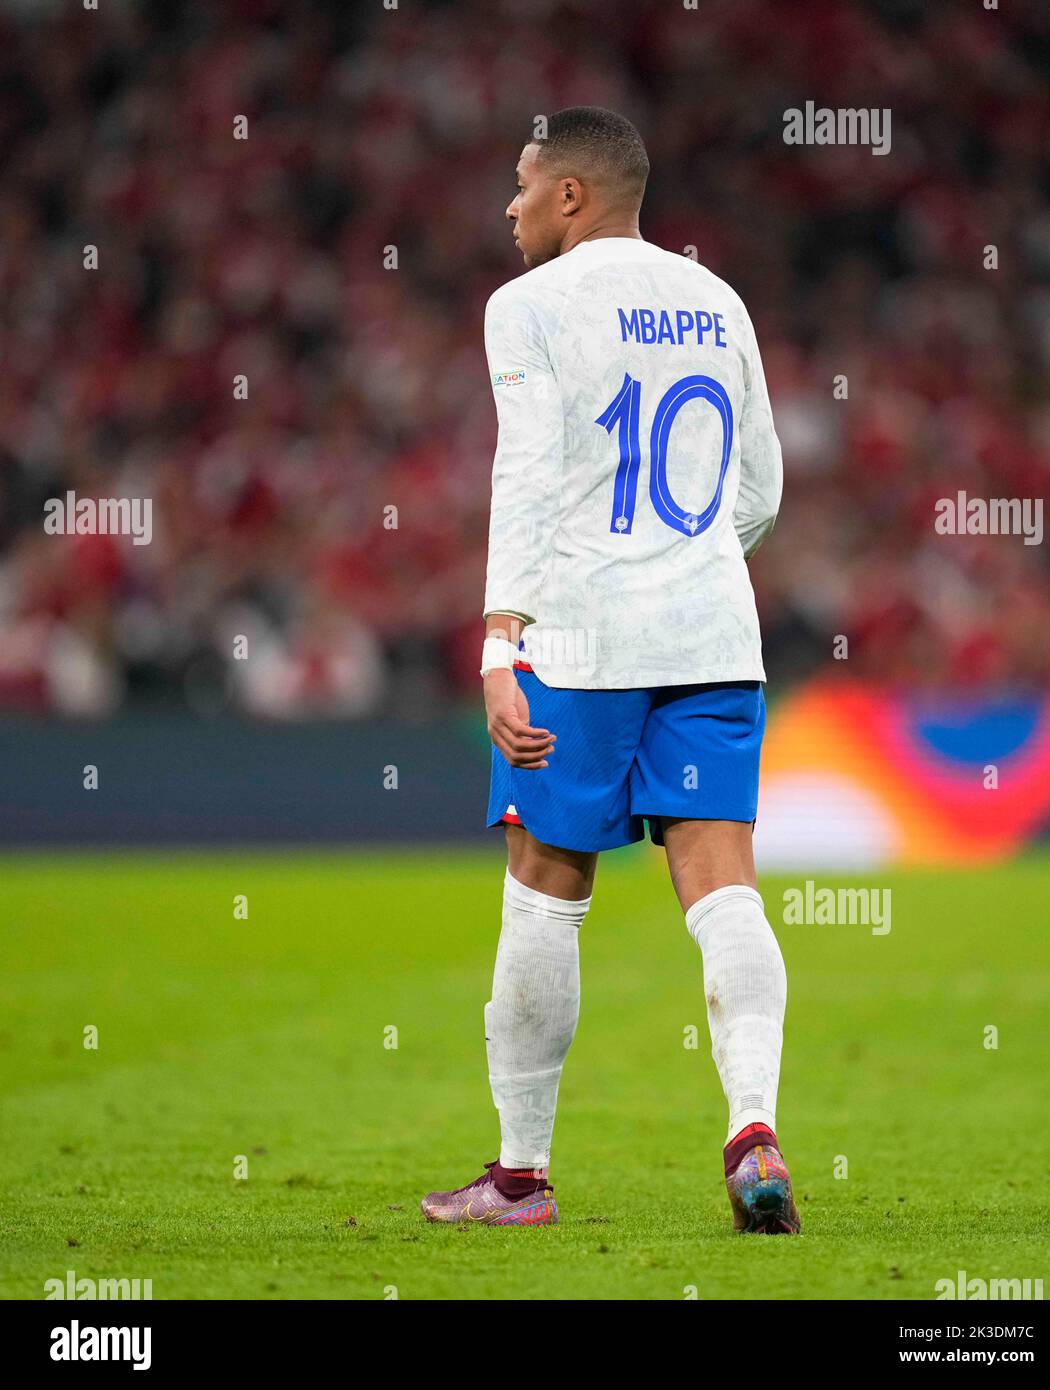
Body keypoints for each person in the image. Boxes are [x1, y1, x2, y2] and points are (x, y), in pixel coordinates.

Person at [421, 107, 796, 1234]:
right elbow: (762, 490)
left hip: (578, 647)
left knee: (544, 885)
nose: (510, 207)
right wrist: (676, 567)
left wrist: (499, 643)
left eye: (522, 186)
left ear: (572, 196)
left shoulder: (525, 307)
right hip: (715, 637)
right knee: (721, 880)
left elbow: (527, 475)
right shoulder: (717, 299)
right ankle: (754, 1128)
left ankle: (520, 1181)